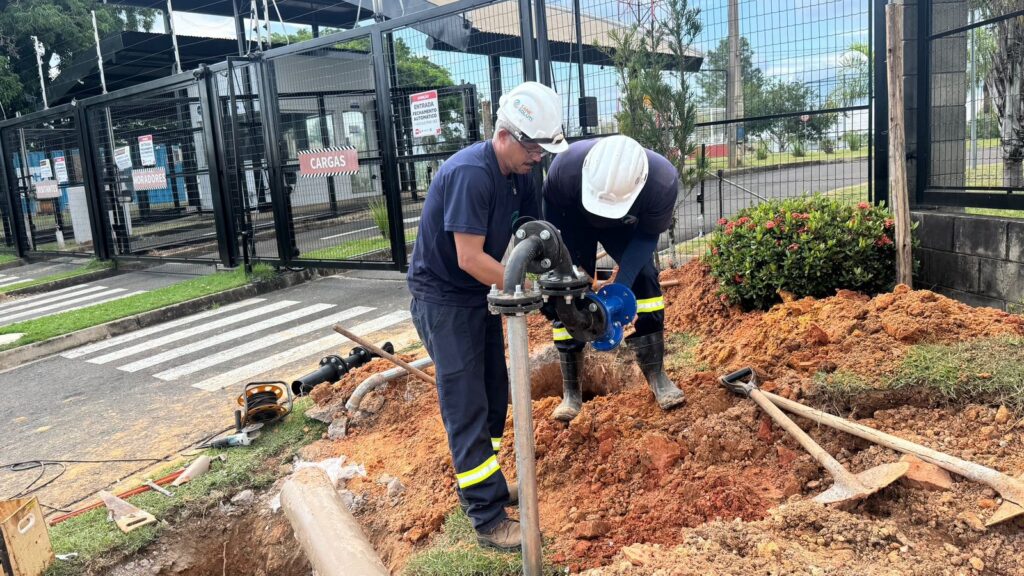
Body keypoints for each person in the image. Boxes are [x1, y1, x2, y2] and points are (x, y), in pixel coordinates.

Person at [406, 81, 568, 550]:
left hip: (478, 296)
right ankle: (487, 518)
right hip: (443, 298)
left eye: (542, 149)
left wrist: (562, 272)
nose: (538, 156)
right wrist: (525, 287)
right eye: (533, 146)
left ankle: (487, 487)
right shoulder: (470, 175)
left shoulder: (521, 174)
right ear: (506, 135)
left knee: (495, 392)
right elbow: (470, 258)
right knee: (467, 404)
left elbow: (531, 234)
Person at [542, 135, 686, 422]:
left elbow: (647, 237)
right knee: (567, 289)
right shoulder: (565, 170)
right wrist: (568, 269)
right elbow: (551, 223)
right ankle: (572, 392)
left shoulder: (662, 181)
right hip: (573, 219)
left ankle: (657, 376)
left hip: (624, 224)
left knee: (645, 279)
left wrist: (622, 287)